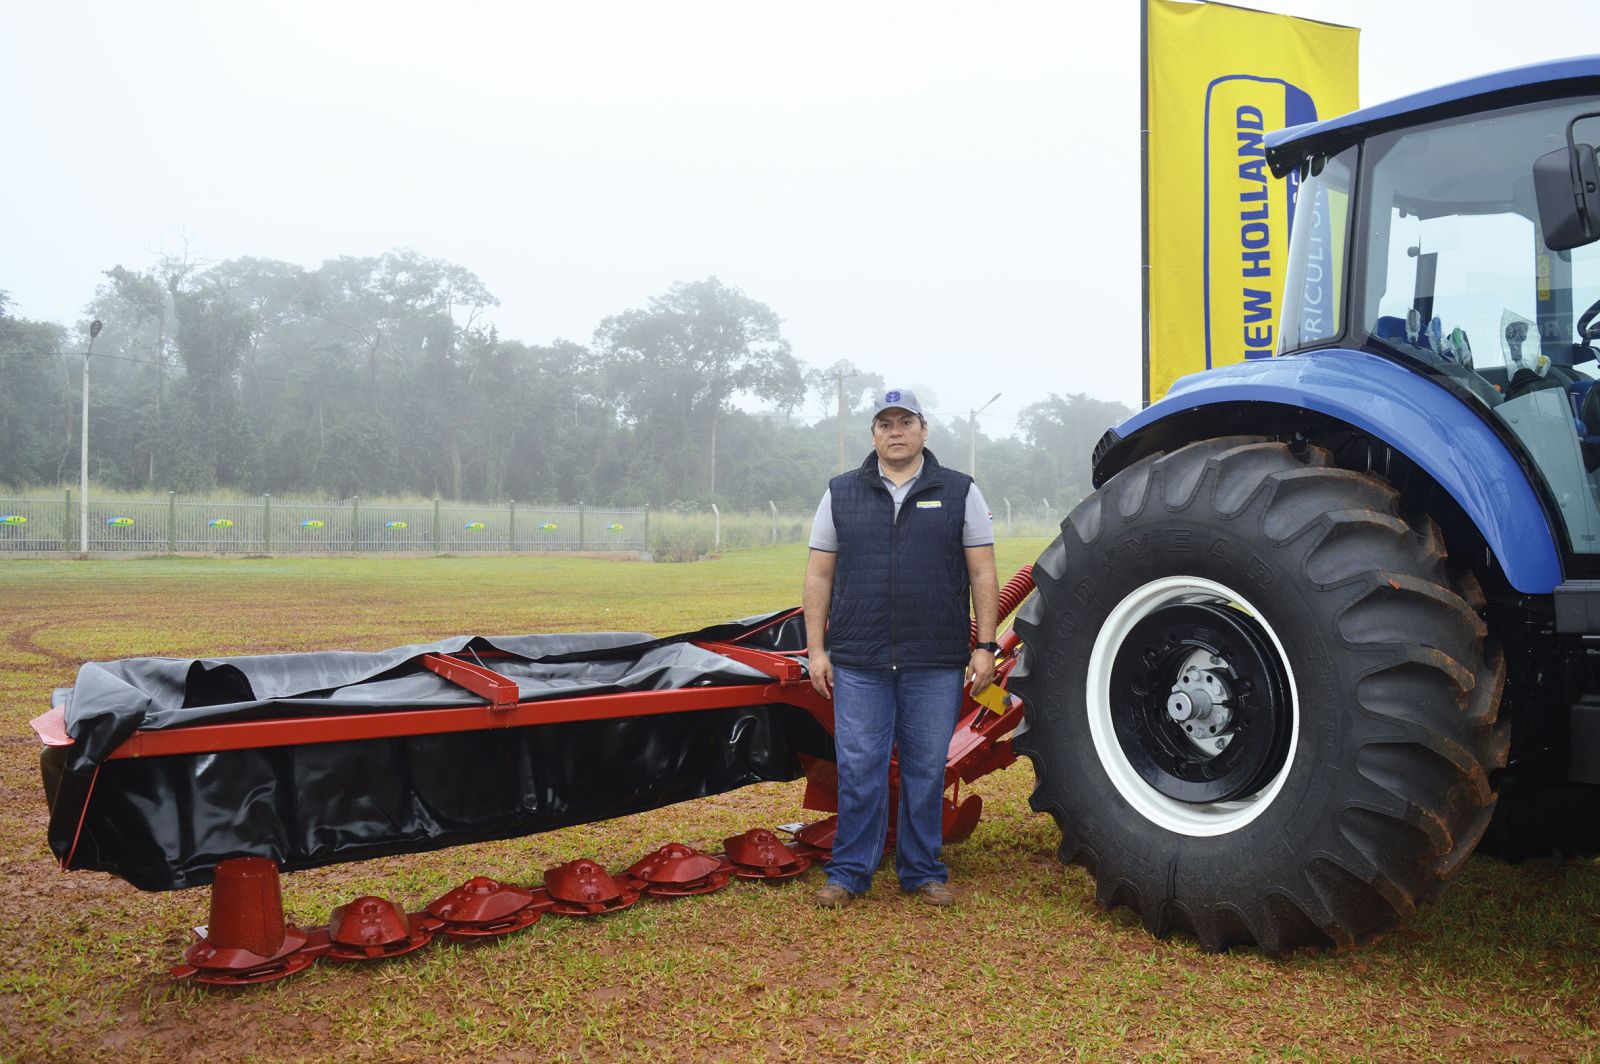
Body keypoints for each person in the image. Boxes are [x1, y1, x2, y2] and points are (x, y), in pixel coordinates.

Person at [803, 387, 999, 908]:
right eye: (885, 423)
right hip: (859, 660)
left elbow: (983, 572)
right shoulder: (840, 492)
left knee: (925, 769)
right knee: (859, 768)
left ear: (923, 430)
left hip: (934, 659)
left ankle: (922, 871)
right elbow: (819, 575)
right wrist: (816, 650)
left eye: (905, 422)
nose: (896, 432)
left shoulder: (959, 490)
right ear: (873, 434)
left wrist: (985, 646)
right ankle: (849, 872)